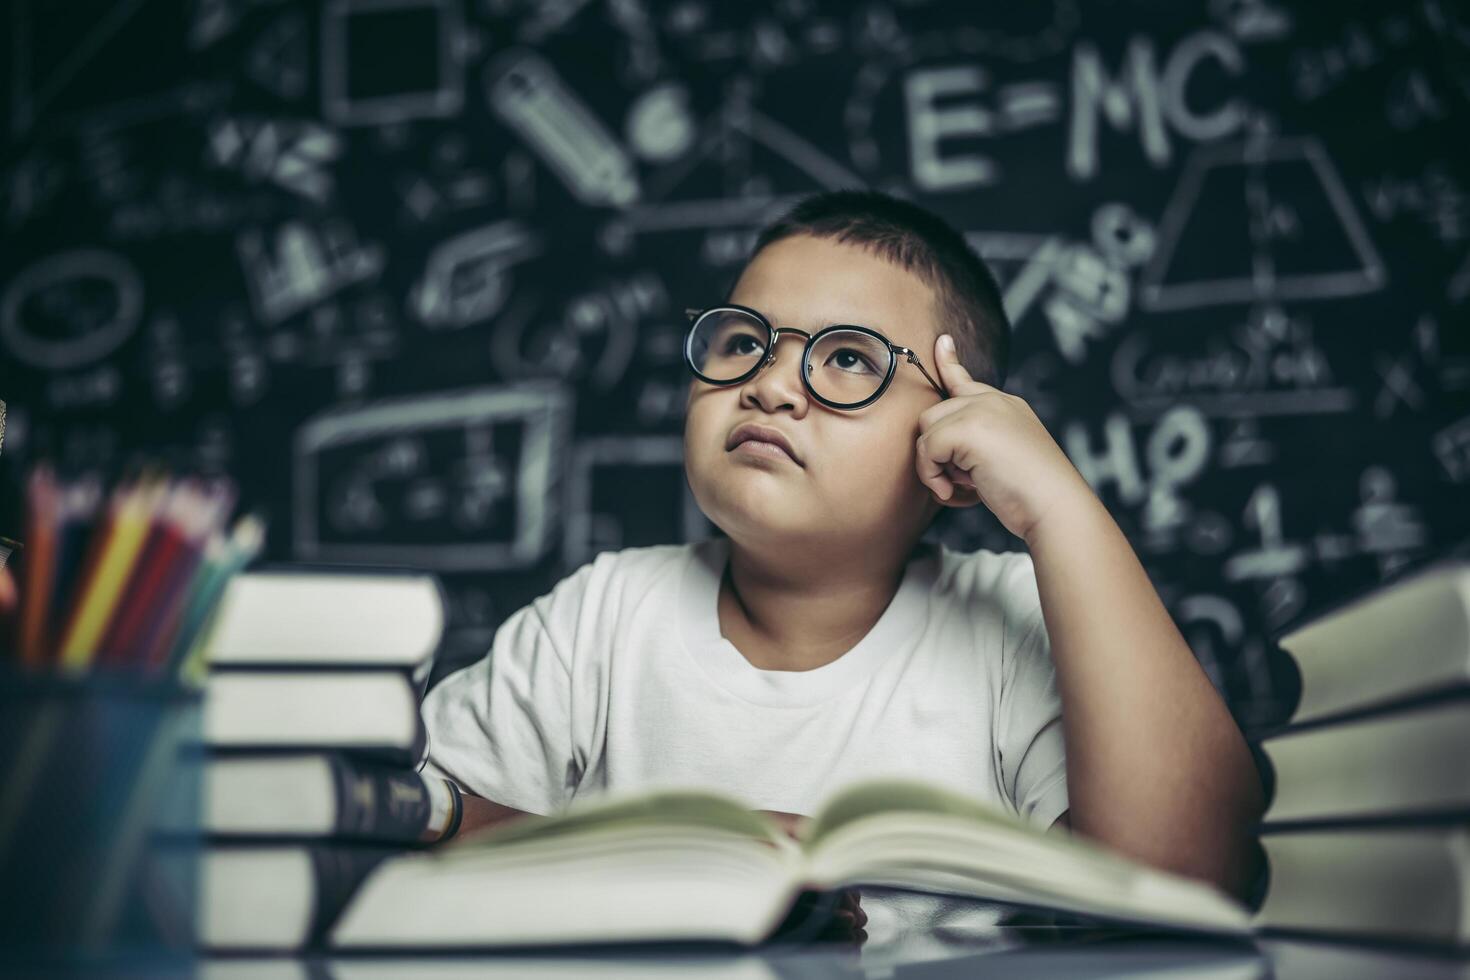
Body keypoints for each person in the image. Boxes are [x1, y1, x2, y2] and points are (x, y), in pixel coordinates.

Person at [418, 190, 1264, 947]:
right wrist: (662, 860)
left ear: (956, 437)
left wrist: (1059, 508)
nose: (772, 385)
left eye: (849, 358)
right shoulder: (603, 613)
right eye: (744, 340)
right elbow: (402, 820)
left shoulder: (1017, 627)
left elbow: (1182, 886)